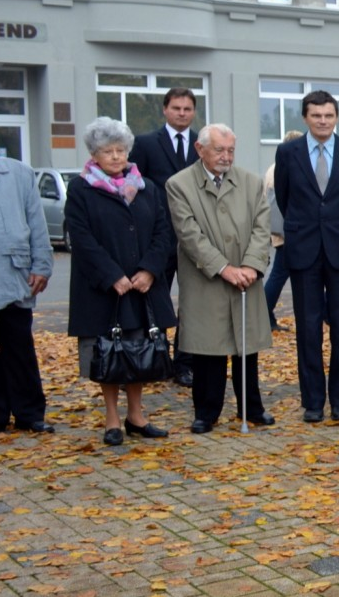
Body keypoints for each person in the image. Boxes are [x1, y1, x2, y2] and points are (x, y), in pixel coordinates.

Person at [65, 117, 177, 446]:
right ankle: (112, 418)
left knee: (139, 349)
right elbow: (81, 238)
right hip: (103, 288)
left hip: (142, 286)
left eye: (120, 150)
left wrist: (149, 270)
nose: (115, 156)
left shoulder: (146, 187)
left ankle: (137, 415)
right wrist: (112, 275)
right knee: (108, 352)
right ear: (94, 154)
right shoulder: (81, 188)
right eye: (107, 151)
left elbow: (163, 231)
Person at [167, 124, 274, 434]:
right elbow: (189, 235)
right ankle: (206, 411)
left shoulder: (251, 183)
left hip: (246, 277)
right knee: (207, 348)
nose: (226, 157)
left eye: (230, 150)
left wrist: (252, 266)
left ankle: (251, 407)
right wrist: (224, 268)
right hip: (207, 279)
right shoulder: (179, 184)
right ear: (200, 150)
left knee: (246, 345)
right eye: (219, 150)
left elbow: (261, 227)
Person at [274, 91, 339, 424]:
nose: (323, 121)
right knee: (308, 329)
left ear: (337, 117)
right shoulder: (288, 152)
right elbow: (284, 199)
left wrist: (335, 225)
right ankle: (313, 401)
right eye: (316, 116)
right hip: (304, 250)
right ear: (305, 118)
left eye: (328, 115)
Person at [0, 113, 54, 439]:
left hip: (14, 275)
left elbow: (37, 224)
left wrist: (42, 265)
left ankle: (29, 414)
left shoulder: (19, 174)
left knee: (19, 348)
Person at [127, 86, 199, 386]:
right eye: (176, 108)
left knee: (193, 303)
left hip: (195, 236)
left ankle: (185, 363)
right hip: (159, 237)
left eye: (187, 109)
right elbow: (133, 183)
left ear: (194, 112)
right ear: (165, 110)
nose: (182, 113)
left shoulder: (202, 143)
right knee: (156, 300)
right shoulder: (145, 144)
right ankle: (155, 357)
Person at [262, 129, 302, 332]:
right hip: (288, 232)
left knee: (281, 274)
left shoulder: (273, 167)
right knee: (279, 275)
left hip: (280, 231)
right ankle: (263, 315)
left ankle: (265, 316)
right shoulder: (287, 167)